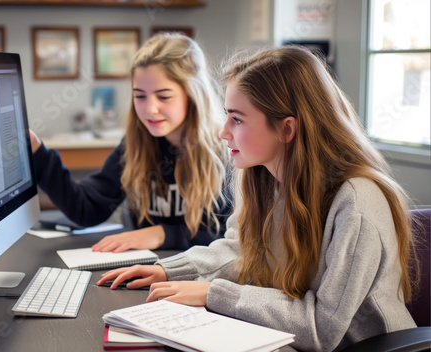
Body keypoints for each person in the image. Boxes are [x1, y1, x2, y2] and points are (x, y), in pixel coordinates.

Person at [97, 46, 419, 351]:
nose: (223, 131)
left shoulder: (356, 204)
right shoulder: (261, 176)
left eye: (236, 119)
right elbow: (239, 250)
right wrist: (169, 271)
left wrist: (213, 293)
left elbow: (323, 329)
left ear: (286, 129)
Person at [30, 33, 232, 252]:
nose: (149, 109)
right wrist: (38, 154)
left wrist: (164, 233)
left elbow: (230, 238)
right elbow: (86, 209)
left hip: (197, 278)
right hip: (142, 271)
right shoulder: (136, 146)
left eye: (163, 97)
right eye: (140, 96)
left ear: (193, 96)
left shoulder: (226, 151)